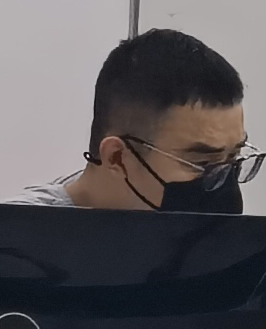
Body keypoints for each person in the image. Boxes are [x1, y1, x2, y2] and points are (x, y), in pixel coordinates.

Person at [36, 28, 247, 209]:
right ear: (117, 157)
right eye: (202, 163)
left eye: (234, 159)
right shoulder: (26, 237)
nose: (224, 185)